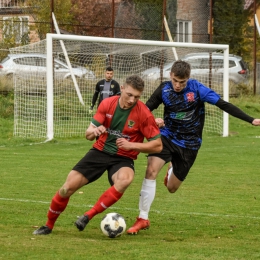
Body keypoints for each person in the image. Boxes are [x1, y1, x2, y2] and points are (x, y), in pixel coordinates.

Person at [127, 60, 260, 235]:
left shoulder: (198, 89)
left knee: (172, 188)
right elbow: (144, 110)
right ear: (170, 76)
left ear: (188, 79)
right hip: (167, 137)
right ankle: (142, 218)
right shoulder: (164, 89)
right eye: (175, 80)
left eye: (182, 82)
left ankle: (172, 168)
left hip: (190, 144)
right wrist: (151, 121)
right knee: (151, 171)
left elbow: (223, 104)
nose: (177, 85)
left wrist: (251, 119)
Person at [33, 75, 162, 235]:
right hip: (99, 151)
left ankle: (88, 216)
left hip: (123, 157)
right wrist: (94, 131)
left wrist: (132, 145)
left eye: (136, 97)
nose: (131, 100)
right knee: (66, 188)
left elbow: (157, 145)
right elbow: (88, 134)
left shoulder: (144, 113)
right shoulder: (107, 103)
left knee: (125, 180)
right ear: (122, 88)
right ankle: (48, 225)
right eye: (129, 94)